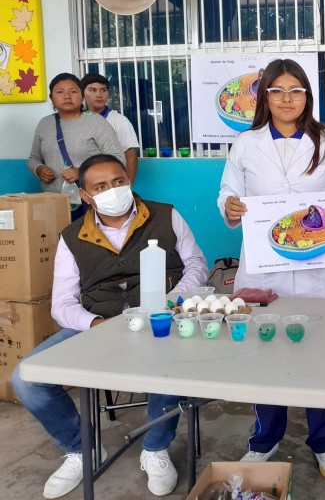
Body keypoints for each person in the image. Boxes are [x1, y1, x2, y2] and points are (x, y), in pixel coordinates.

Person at [12, 154, 209, 499]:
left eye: (118, 181)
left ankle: (156, 448)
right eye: (100, 186)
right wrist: (98, 324)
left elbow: (196, 266)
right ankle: (81, 447)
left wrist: (168, 303)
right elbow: (61, 304)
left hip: (161, 319)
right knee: (27, 378)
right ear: (86, 196)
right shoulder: (72, 237)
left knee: (169, 359)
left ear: (129, 181)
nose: (113, 190)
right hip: (97, 324)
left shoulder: (166, 215)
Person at [218, 58, 325, 480]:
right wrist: (228, 206)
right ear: (264, 96)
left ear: (307, 96)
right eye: (278, 91)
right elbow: (229, 192)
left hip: (322, 268)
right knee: (265, 351)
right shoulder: (246, 144)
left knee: (323, 354)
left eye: (296, 91)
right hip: (266, 267)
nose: (288, 99)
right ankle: (264, 439)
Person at [28, 73, 124, 220]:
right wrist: (39, 169)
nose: (67, 96)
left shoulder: (96, 122)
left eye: (73, 92)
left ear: (82, 97)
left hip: (91, 202)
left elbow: (117, 159)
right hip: (54, 204)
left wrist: (81, 172)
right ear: (52, 98)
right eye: (60, 92)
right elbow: (34, 158)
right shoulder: (45, 124)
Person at [81, 73, 140, 183]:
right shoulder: (78, 120)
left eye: (103, 90)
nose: (99, 95)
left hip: (110, 182)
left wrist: (128, 185)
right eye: (92, 90)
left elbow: (131, 157)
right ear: (82, 93)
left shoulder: (120, 121)